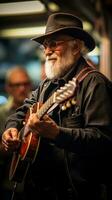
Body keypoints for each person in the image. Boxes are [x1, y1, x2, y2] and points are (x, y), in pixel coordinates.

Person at [1, 12, 112, 200]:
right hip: (39, 191)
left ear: (75, 47)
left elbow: (103, 141)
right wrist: (10, 129)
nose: (47, 51)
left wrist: (57, 134)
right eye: (45, 46)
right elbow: (21, 111)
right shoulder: (46, 85)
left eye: (54, 44)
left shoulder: (94, 83)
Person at [0, 66, 32, 200]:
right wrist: (8, 145)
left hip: (36, 184)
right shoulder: (1, 114)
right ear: (8, 88)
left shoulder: (37, 110)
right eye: (16, 85)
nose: (22, 88)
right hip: (9, 183)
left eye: (25, 84)